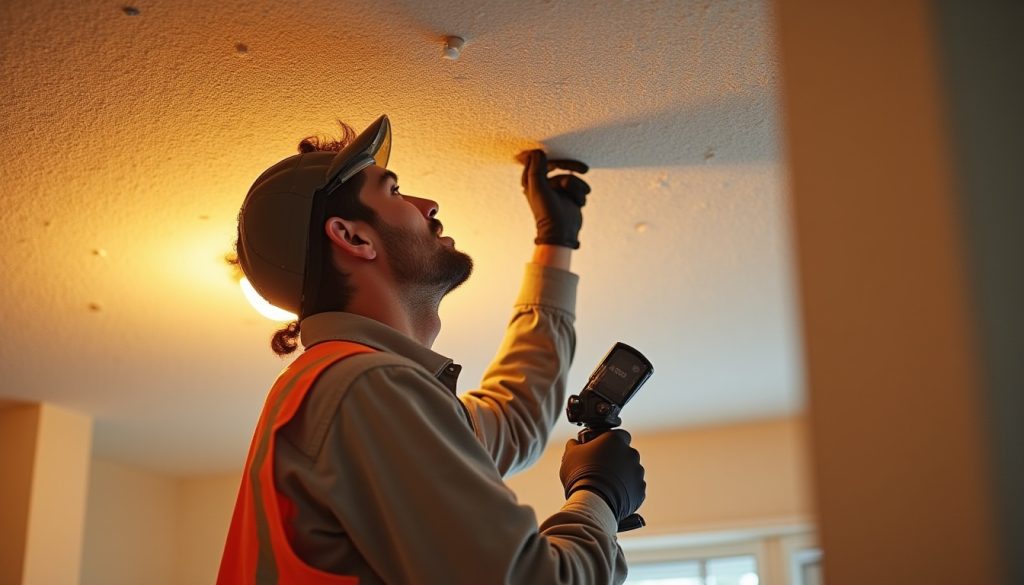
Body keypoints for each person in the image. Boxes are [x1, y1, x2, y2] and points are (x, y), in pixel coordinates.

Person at [218, 115, 646, 584]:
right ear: (352, 237)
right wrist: (599, 496)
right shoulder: (366, 387)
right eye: (395, 191)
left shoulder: (343, 387)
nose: (429, 204)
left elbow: (515, 419)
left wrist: (555, 244)